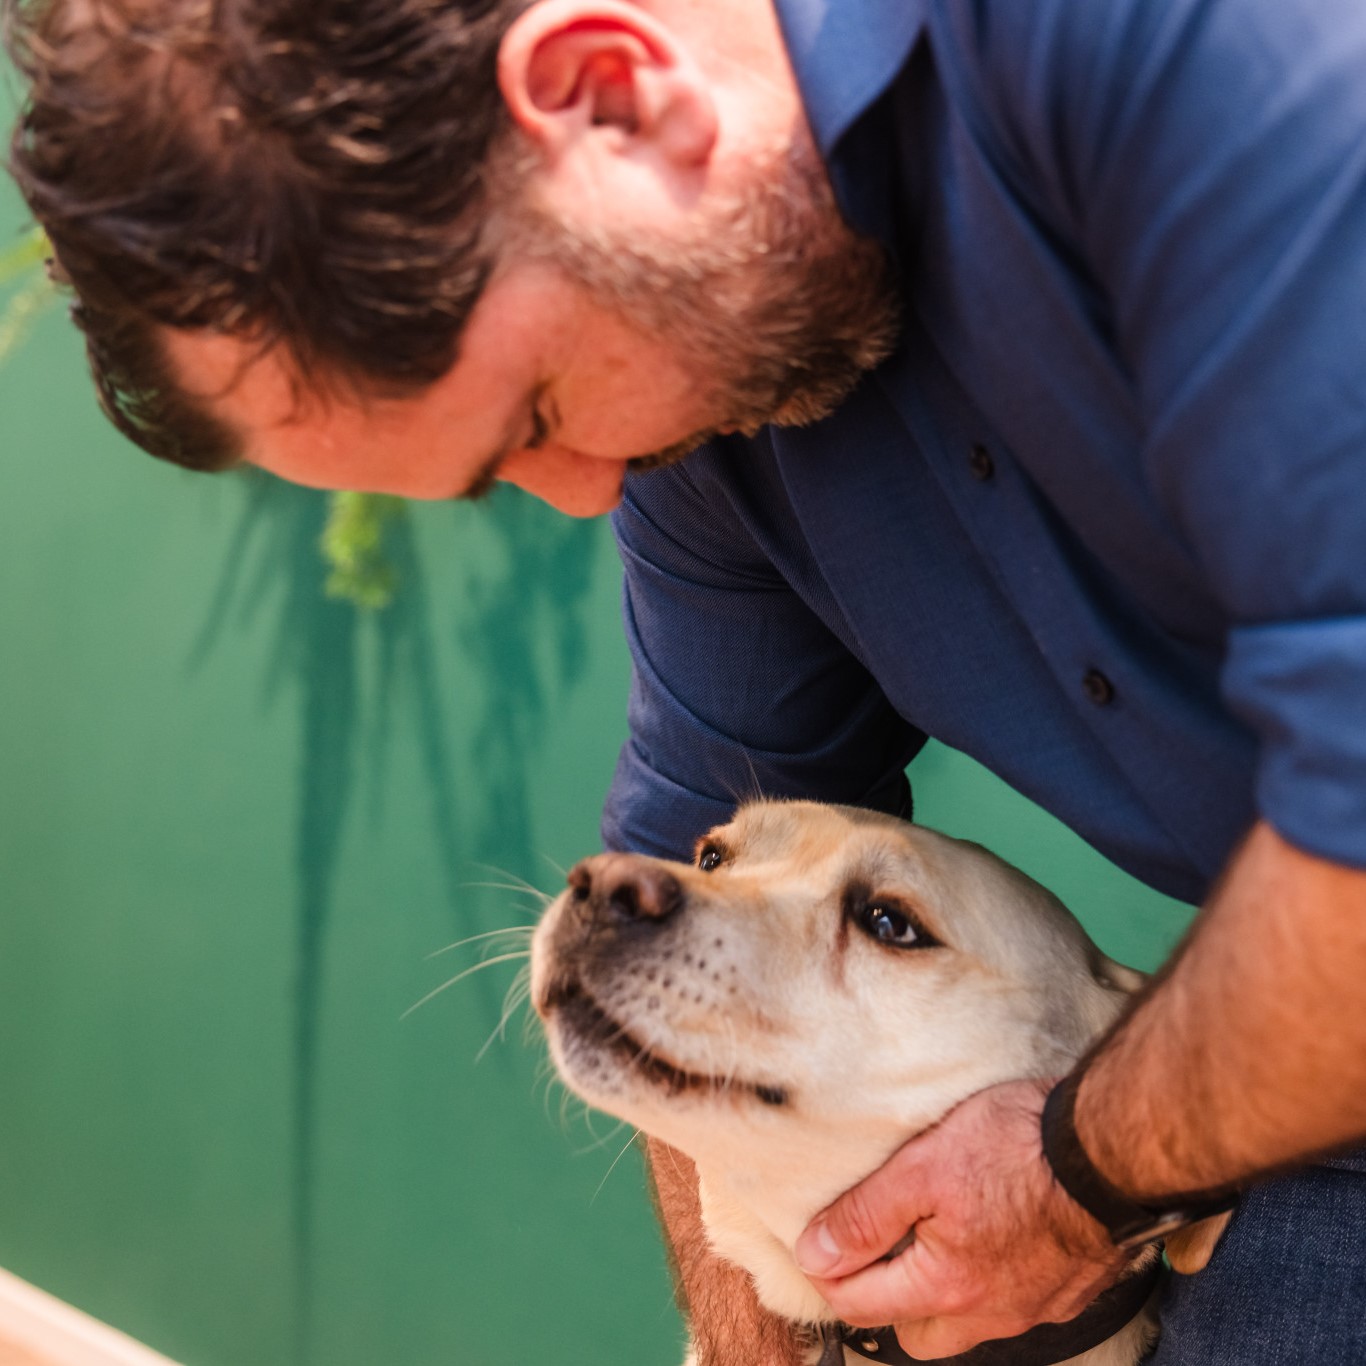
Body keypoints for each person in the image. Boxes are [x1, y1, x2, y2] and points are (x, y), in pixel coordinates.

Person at [7, 0, 1366, 1360]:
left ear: (607, 89)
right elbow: (674, 850)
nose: (583, 492)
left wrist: (1072, 1170)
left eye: (532, 414)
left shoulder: (1208, 54)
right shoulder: (714, 416)